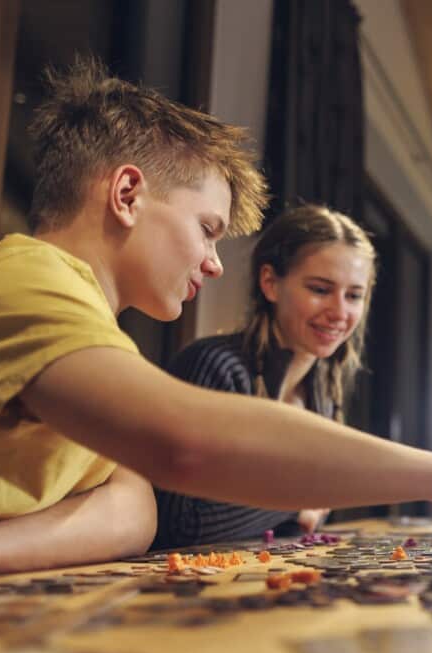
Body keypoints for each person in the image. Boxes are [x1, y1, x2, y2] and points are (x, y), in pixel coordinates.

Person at [0, 59, 432, 591]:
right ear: (128, 194)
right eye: (208, 230)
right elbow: (183, 446)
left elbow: (132, 510)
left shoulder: (93, 329)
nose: (216, 263)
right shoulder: (22, 278)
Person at [152, 204, 374, 549]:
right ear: (270, 282)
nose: (340, 312)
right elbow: (178, 522)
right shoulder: (215, 365)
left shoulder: (323, 389)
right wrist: (298, 496)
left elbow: (304, 518)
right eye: (319, 289)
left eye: (354, 295)